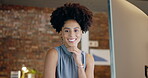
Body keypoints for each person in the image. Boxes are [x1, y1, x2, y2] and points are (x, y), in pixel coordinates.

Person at [43, 3, 94, 78]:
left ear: (81, 32)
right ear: (61, 33)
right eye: (67, 31)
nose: (71, 35)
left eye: (76, 30)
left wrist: (79, 65)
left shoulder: (88, 58)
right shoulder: (53, 54)